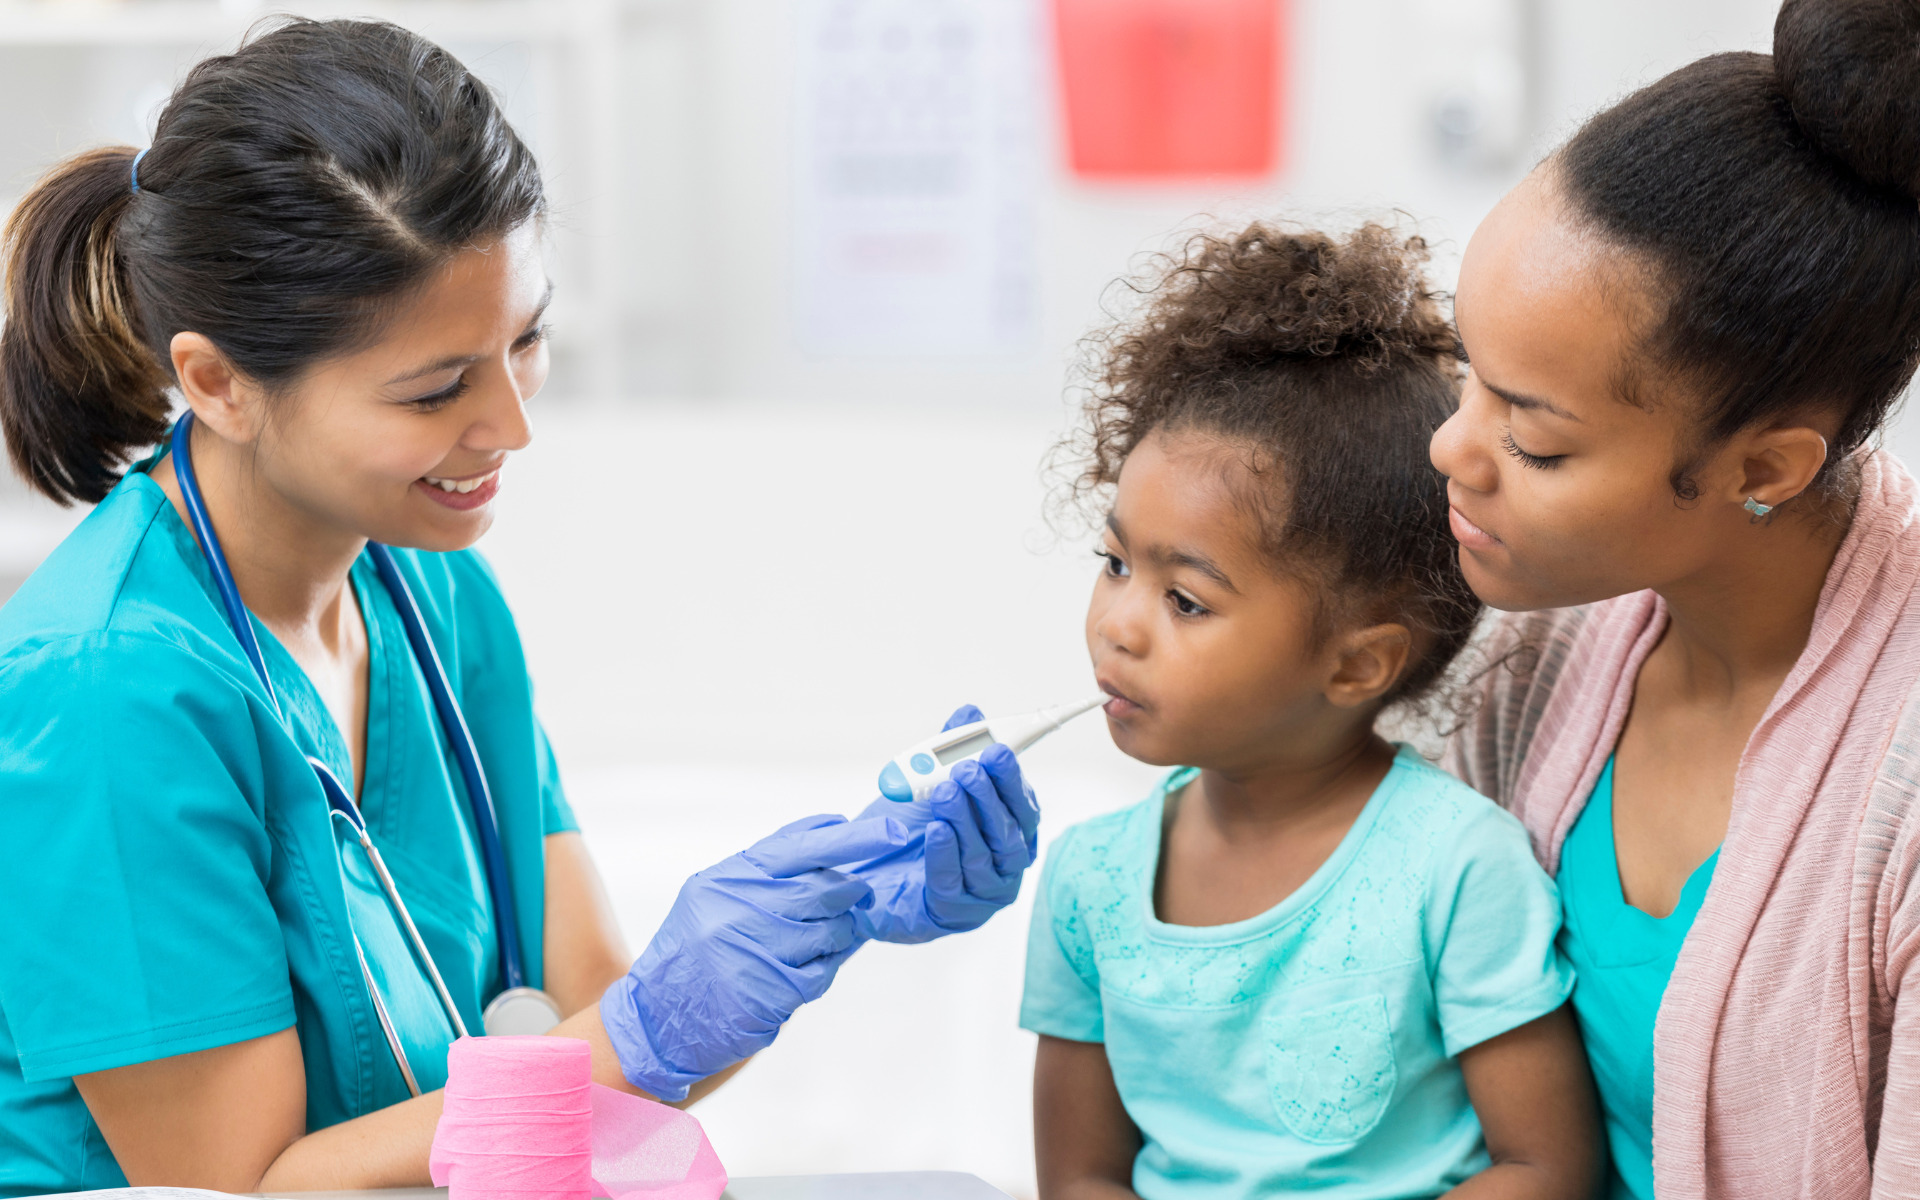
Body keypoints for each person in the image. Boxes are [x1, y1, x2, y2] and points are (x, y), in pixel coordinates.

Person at [0, 20, 1039, 1198]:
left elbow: (603, 1033)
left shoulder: (434, 590)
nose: (512, 425)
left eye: (527, 338)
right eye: (439, 386)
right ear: (217, 383)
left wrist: (809, 933)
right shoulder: (102, 693)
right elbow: (236, 1191)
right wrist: (646, 1027)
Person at [1430, 0, 1920, 1194]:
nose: (1453, 451)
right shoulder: (1540, 655)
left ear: (1765, 469)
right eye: (1466, 378)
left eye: (1536, 445)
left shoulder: (1898, 797)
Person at [1020, 223, 1600, 1200]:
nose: (1118, 625)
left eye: (1186, 601)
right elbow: (1080, 1177)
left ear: (1356, 666)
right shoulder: (1089, 883)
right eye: (1116, 563)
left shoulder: (1457, 868)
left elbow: (1546, 1169)